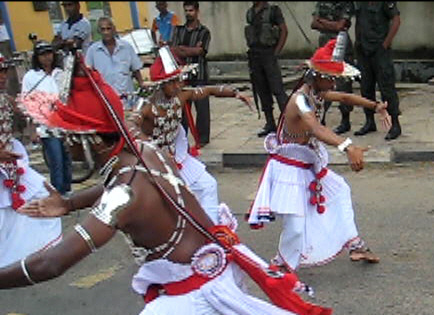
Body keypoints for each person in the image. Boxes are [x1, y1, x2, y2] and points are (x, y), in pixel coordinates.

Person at [17, 53, 332, 315]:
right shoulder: (146, 151)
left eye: (65, 137)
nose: (62, 143)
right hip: (216, 271)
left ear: (89, 141)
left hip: (195, 293)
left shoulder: (124, 193)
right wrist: (70, 202)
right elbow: (110, 182)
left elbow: (49, 266)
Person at [246, 38, 391, 271]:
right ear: (314, 75)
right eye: (330, 78)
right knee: (295, 225)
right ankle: (281, 266)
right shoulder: (301, 100)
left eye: (335, 78)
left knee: (341, 190)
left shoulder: (318, 93)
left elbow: (346, 97)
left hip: (307, 161)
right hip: (288, 166)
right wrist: (347, 146)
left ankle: (355, 245)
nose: (333, 84)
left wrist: (376, 107)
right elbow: (315, 128)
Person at [129, 47, 253, 223]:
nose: (178, 85)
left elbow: (209, 90)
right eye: (172, 82)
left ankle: (211, 231)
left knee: (208, 185)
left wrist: (236, 93)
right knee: (168, 206)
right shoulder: (147, 105)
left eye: (178, 80)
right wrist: (148, 144)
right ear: (161, 84)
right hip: (153, 162)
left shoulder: (181, 95)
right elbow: (131, 124)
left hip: (177, 157)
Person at [0, 54, 61, 267]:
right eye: (0, 72)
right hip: (3, 163)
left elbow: (27, 111)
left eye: (5, 71)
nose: (3, 76)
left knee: (40, 193)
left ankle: (24, 252)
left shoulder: (5, 99)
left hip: (10, 163)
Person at [21, 41, 72, 195]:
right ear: (37, 57)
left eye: (49, 53)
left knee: (67, 159)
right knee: (55, 159)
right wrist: (32, 129)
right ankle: (57, 193)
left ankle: (67, 191)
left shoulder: (60, 73)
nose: (47, 57)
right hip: (45, 125)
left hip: (64, 123)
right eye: (43, 54)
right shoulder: (31, 76)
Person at [353, 1, 401, 140]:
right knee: (366, 87)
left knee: (387, 88)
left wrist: (385, 44)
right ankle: (369, 121)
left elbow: (396, 20)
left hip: (379, 51)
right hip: (363, 50)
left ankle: (395, 124)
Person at [245, 2, 289, 137]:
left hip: (268, 54)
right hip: (254, 55)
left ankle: (288, 124)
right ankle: (270, 123)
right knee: (262, 91)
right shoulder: (250, 12)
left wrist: (276, 52)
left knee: (278, 90)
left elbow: (284, 30)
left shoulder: (273, 11)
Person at [311, 1, 355, 134]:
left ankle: (345, 120)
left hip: (340, 44)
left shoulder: (346, 4)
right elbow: (313, 23)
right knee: (322, 82)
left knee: (343, 84)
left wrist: (323, 22)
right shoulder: (321, 3)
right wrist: (332, 25)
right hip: (324, 47)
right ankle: (321, 118)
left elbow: (341, 26)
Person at [171, 1, 211, 146]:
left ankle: (202, 139)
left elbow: (200, 52)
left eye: (191, 10)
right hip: (182, 77)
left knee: (202, 109)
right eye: (186, 11)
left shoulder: (204, 32)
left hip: (199, 75)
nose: (188, 13)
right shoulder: (179, 30)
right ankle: (183, 138)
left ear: (197, 11)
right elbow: (174, 49)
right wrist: (191, 49)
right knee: (182, 110)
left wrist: (184, 49)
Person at [85, 17, 143, 110]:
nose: (106, 32)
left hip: (127, 101)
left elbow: (136, 69)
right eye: (103, 29)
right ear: (99, 31)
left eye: (108, 28)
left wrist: (142, 84)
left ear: (114, 29)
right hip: (106, 102)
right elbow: (88, 73)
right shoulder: (93, 50)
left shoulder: (126, 47)